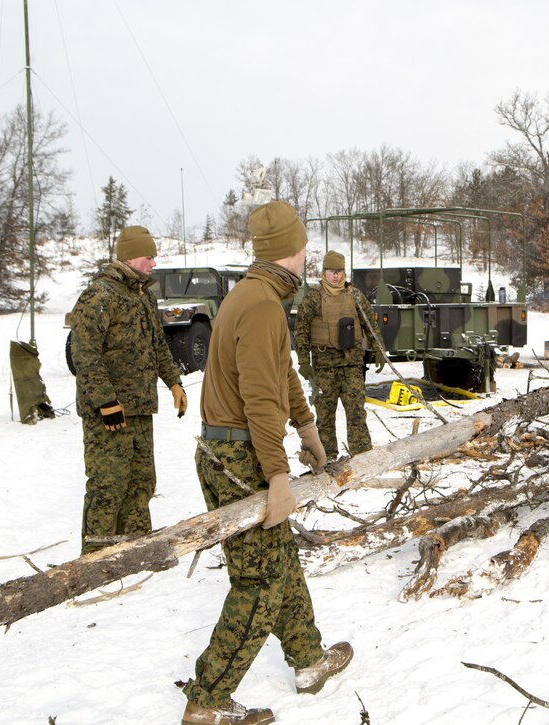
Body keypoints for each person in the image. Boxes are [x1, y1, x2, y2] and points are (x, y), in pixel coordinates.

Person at [182, 202, 353, 725]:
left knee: (278, 564)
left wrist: (308, 428)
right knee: (259, 582)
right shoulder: (258, 306)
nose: (308, 257)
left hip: (236, 449)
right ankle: (208, 699)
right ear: (291, 251)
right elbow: (259, 398)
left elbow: (282, 376)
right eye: (303, 248)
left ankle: (307, 662)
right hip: (240, 457)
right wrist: (278, 477)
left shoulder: (259, 298)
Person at [69, 225, 186, 555]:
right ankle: (95, 559)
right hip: (108, 413)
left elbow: (158, 345)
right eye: (149, 257)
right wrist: (106, 401)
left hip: (140, 408)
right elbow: (85, 354)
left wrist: (174, 382)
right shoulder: (99, 297)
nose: (153, 263)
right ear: (129, 257)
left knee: (141, 482)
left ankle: (135, 550)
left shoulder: (144, 295)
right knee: (108, 485)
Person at [293, 250, 381, 459]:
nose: (336, 276)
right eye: (332, 272)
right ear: (324, 272)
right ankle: (327, 459)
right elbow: (301, 331)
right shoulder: (313, 298)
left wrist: (378, 350)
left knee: (357, 413)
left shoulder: (355, 296)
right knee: (324, 416)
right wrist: (304, 361)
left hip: (351, 365)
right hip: (324, 368)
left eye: (340, 271)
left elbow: (371, 325)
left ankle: (362, 457)